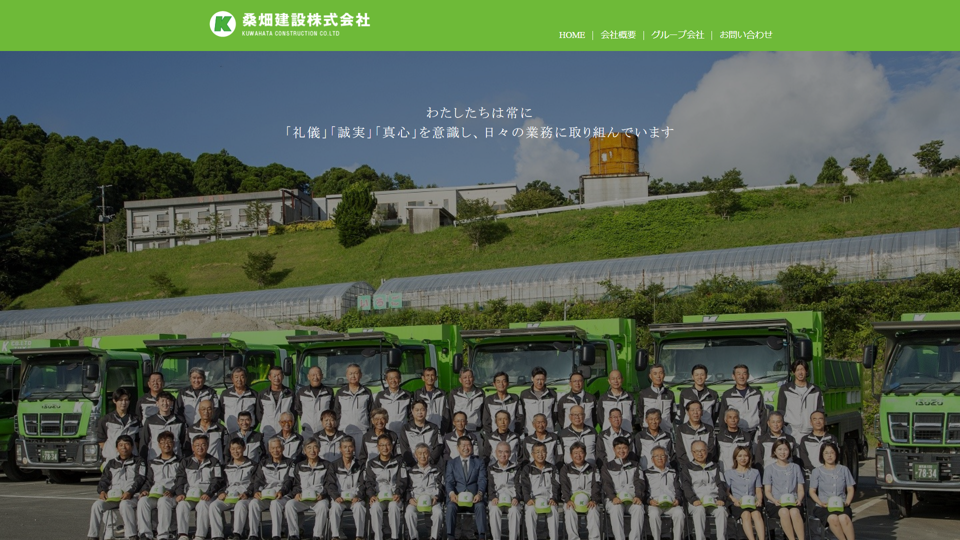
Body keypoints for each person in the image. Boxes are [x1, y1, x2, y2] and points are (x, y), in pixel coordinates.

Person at [87, 434, 145, 540]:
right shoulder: (111, 463)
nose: (124, 447)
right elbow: (104, 480)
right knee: (97, 505)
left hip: (132, 496)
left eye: (127, 444)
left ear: (132, 447)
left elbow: (140, 479)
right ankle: (93, 536)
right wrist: (102, 491)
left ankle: (132, 535)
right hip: (113, 497)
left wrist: (130, 492)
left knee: (124, 504)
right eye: (121, 445)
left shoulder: (139, 461)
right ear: (117, 448)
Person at [174, 434, 224, 540]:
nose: (200, 448)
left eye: (203, 445)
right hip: (190, 495)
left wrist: (209, 493)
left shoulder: (214, 462)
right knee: (182, 504)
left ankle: (200, 535)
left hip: (208, 495)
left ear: (207, 446)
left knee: (203, 504)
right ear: (192, 447)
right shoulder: (185, 462)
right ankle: (182, 534)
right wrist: (180, 493)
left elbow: (217, 480)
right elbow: (180, 480)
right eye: (197, 445)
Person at [284, 438, 334, 540]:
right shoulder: (299, 465)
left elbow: (329, 484)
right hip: (303, 498)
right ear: (304, 450)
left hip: (319, 498)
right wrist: (296, 493)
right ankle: (294, 535)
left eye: (315, 447)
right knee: (289, 504)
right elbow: (296, 484)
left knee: (323, 506)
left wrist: (323, 494)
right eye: (309, 448)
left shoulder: (327, 465)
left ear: (319, 449)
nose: (312, 451)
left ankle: (317, 536)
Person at [209, 437, 257, 540]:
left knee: (240, 505)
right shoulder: (226, 466)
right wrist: (221, 492)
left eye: (238, 448)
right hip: (229, 496)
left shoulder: (253, 465)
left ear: (244, 448)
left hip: (245, 497)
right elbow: (221, 483)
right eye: (233, 449)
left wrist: (247, 493)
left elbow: (255, 483)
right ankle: (218, 535)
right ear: (230, 450)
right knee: (214, 505)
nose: (236, 451)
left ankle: (237, 534)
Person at [137, 431, 182, 540]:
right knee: (143, 501)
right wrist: (144, 490)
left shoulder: (180, 461)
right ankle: (145, 534)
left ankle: (163, 535)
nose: (166, 445)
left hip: (171, 495)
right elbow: (149, 480)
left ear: (173, 443)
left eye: (169, 442)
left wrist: (172, 491)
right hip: (155, 494)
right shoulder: (153, 462)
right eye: (163, 442)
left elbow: (181, 480)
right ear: (159, 445)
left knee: (163, 501)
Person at [249, 437, 296, 540]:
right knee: (253, 503)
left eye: (278, 447)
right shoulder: (263, 463)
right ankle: (253, 534)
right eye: (273, 448)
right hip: (266, 495)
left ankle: (276, 535)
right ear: (269, 449)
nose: (275, 450)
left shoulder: (291, 463)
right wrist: (257, 491)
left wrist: (282, 491)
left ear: (283, 448)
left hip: (283, 496)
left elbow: (289, 480)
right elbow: (258, 480)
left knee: (275, 504)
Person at [681, 440, 728, 540]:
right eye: (696, 451)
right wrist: (693, 499)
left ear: (707, 451)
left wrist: (721, 498)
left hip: (713, 500)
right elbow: (686, 486)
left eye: (702, 450)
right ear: (692, 452)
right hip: (696, 501)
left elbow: (721, 484)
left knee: (721, 510)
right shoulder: (687, 467)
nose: (700, 454)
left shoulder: (715, 466)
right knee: (699, 510)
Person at [600, 437, 645, 540]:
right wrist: (613, 497)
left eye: (624, 448)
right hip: (614, 500)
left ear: (628, 449)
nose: (621, 451)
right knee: (616, 508)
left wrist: (638, 496)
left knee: (639, 508)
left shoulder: (635, 465)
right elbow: (606, 484)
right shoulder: (607, 466)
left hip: (631, 499)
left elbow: (639, 482)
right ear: (614, 449)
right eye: (619, 448)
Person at [808, 442, 856, 540]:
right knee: (833, 518)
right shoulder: (817, 471)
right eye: (826, 453)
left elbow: (850, 488)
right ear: (822, 455)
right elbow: (812, 491)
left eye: (832, 452)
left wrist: (847, 502)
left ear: (836, 454)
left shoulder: (844, 469)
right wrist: (820, 503)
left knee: (844, 518)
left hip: (841, 505)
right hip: (824, 507)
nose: (829, 455)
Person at [366, 434, 409, 540]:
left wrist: (398, 493)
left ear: (392, 446)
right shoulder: (371, 463)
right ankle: (378, 537)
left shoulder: (399, 462)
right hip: (378, 496)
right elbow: (369, 482)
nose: (385, 448)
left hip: (394, 496)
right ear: (378, 447)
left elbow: (402, 480)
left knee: (394, 506)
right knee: (375, 507)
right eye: (382, 445)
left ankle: (394, 537)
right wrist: (372, 495)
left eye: (387, 445)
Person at [444, 436, 488, 540]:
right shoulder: (451, 463)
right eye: (463, 445)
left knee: (480, 506)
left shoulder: (479, 462)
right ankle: (450, 535)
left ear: (472, 447)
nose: (466, 448)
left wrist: (480, 493)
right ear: (458, 448)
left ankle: (482, 535)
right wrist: (452, 494)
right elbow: (449, 481)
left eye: (468, 445)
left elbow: (482, 480)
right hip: (457, 499)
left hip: (474, 499)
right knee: (450, 507)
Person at [763, 440, 806, 540]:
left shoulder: (796, 467)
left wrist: (799, 499)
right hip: (776, 503)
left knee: (794, 512)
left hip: (793, 502)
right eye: (779, 449)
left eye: (785, 449)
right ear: (774, 451)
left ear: (789, 451)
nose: (782, 452)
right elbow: (767, 491)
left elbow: (800, 489)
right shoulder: (769, 469)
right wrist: (774, 500)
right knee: (784, 512)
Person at [560, 442, 601, 540]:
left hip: (589, 500)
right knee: (569, 511)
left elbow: (596, 485)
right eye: (575, 453)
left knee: (594, 510)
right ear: (571, 455)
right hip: (572, 500)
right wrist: (568, 500)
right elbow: (564, 486)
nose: (578, 455)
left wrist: (594, 500)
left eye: (581, 452)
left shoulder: (593, 468)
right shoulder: (565, 469)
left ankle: (594, 538)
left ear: (585, 454)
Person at [519, 442, 560, 540]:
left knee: (554, 510)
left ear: (546, 453)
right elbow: (524, 486)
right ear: (532, 454)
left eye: (543, 452)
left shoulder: (553, 468)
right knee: (530, 511)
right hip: (533, 500)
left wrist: (554, 498)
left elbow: (556, 485)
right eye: (537, 452)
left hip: (549, 499)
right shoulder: (527, 469)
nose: (540, 454)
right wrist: (527, 499)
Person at [329, 436, 367, 540]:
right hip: (339, 498)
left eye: (350, 447)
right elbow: (330, 484)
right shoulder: (334, 465)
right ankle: (335, 536)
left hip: (355, 498)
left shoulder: (360, 465)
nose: (348, 450)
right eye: (345, 447)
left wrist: (359, 496)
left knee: (359, 507)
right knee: (335, 507)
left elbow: (363, 483)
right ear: (340, 449)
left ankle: (359, 536)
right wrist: (336, 496)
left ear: (354, 448)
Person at [404, 443, 444, 540]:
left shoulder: (437, 470)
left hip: (433, 500)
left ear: (429, 454)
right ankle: (413, 537)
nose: (423, 456)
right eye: (420, 453)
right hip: (416, 501)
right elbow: (406, 488)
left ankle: (434, 537)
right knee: (409, 512)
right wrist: (410, 499)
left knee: (438, 512)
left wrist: (437, 497)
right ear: (415, 455)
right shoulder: (410, 471)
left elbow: (442, 487)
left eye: (425, 453)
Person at [777, 360, 825, 439]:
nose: (800, 373)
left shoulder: (815, 390)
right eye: (797, 370)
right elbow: (781, 410)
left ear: (806, 371)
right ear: (793, 372)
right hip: (790, 432)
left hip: (810, 432)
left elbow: (820, 410)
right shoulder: (785, 389)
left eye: (802, 369)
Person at [718, 365, 767, 440]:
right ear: (733, 376)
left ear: (748, 376)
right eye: (738, 374)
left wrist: (763, 432)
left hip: (755, 433)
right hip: (736, 433)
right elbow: (722, 416)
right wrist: (723, 434)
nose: (741, 376)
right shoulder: (727, 395)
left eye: (744, 374)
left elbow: (763, 414)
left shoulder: (757, 393)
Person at [645, 446, 685, 540]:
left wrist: (678, 500)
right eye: (656, 456)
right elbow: (644, 491)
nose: (660, 458)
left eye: (662, 455)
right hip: (655, 504)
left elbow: (678, 489)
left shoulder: (673, 472)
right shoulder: (647, 473)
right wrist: (649, 501)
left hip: (671, 504)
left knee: (679, 513)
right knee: (654, 514)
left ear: (666, 458)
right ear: (652, 459)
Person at [726, 446, 765, 540]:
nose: (743, 458)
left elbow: (758, 490)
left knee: (757, 514)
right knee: (746, 514)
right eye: (740, 456)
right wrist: (734, 500)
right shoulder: (729, 473)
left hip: (752, 502)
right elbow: (727, 492)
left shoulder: (755, 472)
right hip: (738, 503)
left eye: (745, 456)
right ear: (735, 457)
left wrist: (759, 500)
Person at [487, 442, 522, 540]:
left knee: (514, 511)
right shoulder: (491, 468)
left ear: (510, 453)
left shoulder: (516, 468)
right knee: (494, 510)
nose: (503, 455)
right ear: (495, 453)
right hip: (496, 499)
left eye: (506, 452)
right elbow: (490, 485)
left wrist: (516, 497)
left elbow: (518, 485)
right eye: (500, 452)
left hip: (512, 499)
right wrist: (493, 497)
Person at [97, 387, 142, 462]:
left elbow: (138, 439)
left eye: (126, 400)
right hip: (112, 458)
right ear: (114, 401)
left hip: (131, 459)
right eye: (121, 400)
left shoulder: (135, 419)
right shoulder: (106, 420)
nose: (124, 403)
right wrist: (111, 452)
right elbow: (101, 440)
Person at [334, 363, 374, 442]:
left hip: (362, 431)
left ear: (361, 375)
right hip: (344, 431)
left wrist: (370, 429)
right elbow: (336, 412)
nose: (353, 376)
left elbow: (371, 412)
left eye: (356, 373)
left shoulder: (366, 392)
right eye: (350, 373)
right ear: (346, 375)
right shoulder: (340, 392)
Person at [143, 391, 187, 460]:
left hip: (176, 459)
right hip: (155, 460)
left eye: (168, 400)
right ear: (157, 403)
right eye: (162, 401)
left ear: (172, 403)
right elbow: (144, 441)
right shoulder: (150, 421)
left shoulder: (180, 420)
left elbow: (184, 441)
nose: (165, 403)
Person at [399, 399, 443, 466]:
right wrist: (414, 465)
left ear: (426, 411)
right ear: (412, 412)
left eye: (422, 410)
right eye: (417, 410)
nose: (420, 412)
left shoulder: (434, 428)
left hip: (430, 465)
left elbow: (438, 447)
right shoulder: (406, 428)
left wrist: (429, 462)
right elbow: (404, 448)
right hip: (411, 466)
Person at [294, 366, 334, 440]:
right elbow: (298, 409)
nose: (315, 377)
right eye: (313, 375)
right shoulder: (302, 392)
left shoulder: (328, 391)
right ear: (308, 377)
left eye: (318, 375)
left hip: (324, 431)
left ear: (322, 376)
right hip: (307, 432)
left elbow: (332, 409)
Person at [256, 365, 295, 441]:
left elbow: (294, 412)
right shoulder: (262, 394)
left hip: (285, 432)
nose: (276, 378)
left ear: (283, 377)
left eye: (279, 375)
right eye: (274, 376)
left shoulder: (290, 393)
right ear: (269, 377)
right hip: (267, 433)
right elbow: (259, 413)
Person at [675, 400, 717, 467]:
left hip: (706, 465)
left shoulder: (709, 429)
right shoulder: (681, 429)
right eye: (692, 410)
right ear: (687, 412)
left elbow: (711, 449)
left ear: (702, 412)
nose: (695, 412)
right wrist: (691, 466)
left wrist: (703, 463)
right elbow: (680, 450)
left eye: (698, 410)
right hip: (687, 467)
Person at [482, 371, 524, 436]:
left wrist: (516, 434)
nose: (501, 384)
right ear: (494, 384)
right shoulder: (489, 400)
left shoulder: (515, 398)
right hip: (495, 437)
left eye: (504, 381)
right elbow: (486, 421)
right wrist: (490, 436)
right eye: (498, 382)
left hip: (512, 436)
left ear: (508, 383)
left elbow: (520, 418)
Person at [374, 368, 414, 435]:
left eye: (396, 378)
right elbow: (375, 413)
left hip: (402, 433)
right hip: (385, 433)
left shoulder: (407, 395)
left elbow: (412, 415)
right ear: (386, 380)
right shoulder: (381, 395)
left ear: (400, 379)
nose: (393, 380)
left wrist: (410, 429)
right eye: (390, 378)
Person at [519, 367, 558, 435]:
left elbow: (555, 414)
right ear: (532, 378)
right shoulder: (524, 394)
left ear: (545, 379)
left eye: (542, 379)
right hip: (530, 432)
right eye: (537, 379)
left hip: (548, 431)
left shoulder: (552, 394)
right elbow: (522, 414)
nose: (539, 382)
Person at [638, 364, 677, 432]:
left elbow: (673, 412)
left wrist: (666, 423)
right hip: (648, 432)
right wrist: (643, 425)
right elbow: (640, 412)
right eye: (655, 374)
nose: (658, 376)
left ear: (664, 375)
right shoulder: (644, 393)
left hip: (666, 431)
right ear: (650, 376)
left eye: (660, 373)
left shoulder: (670, 394)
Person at [188, 399, 228, 463]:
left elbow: (226, 450)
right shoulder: (191, 429)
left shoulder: (221, 429)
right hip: (196, 466)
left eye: (209, 409)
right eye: (203, 409)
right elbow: (187, 450)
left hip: (216, 465)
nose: (206, 412)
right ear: (199, 411)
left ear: (212, 411)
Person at [413, 367, 451, 433]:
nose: (430, 378)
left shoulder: (442, 394)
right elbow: (413, 413)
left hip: (439, 430)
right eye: (427, 375)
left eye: (432, 375)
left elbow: (446, 414)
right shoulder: (418, 394)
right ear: (423, 378)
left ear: (436, 378)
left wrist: (442, 430)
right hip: (422, 431)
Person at [221, 367, 258, 434]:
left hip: (249, 432)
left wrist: (253, 426)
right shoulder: (225, 394)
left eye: (242, 377)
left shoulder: (254, 394)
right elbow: (221, 411)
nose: (239, 380)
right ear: (232, 379)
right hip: (230, 433)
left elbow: (258, 413)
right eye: (236, 377)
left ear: (246, 378)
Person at [449, 368, 485, 433]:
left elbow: (483, 413)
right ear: (460, 380)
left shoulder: (480, 393)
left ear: (473, 379)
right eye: (465, 377)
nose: (467, 380)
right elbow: (451, 412)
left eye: (470, 377)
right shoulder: (454, 393)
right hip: (459, 431)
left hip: (476, 431)